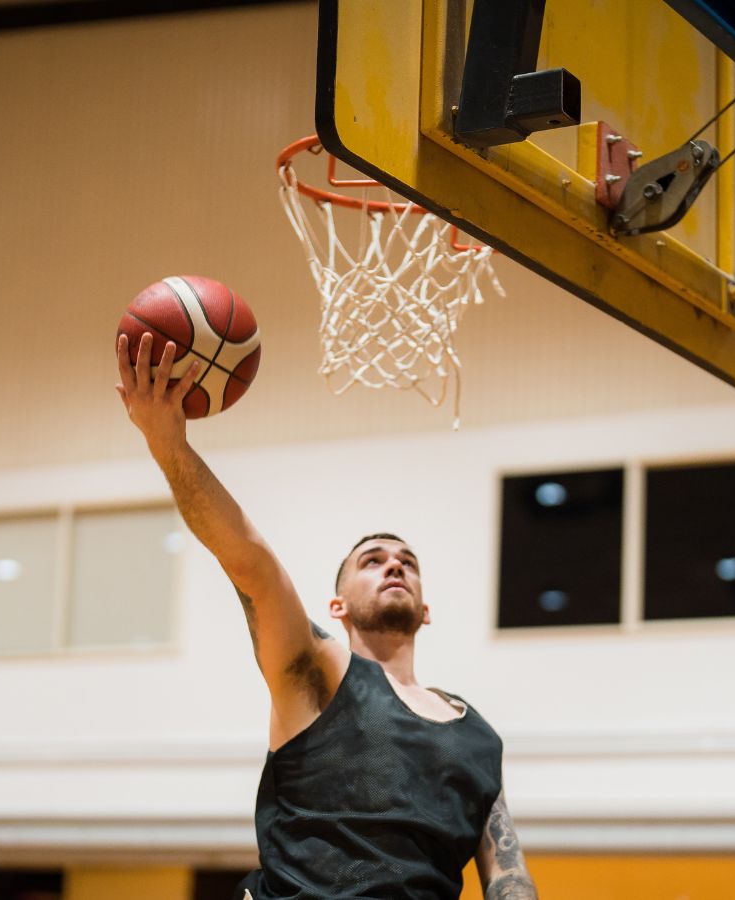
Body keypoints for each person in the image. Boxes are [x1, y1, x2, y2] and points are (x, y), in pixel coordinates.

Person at [116, 332, 539, 900]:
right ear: (335, 607)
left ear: (426, 610)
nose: (394, 566)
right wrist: (169, 446)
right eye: (373, 561)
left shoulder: (477, 733)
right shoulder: (319, 672)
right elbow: (251, 563)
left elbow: (507, 873)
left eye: (407, 562)